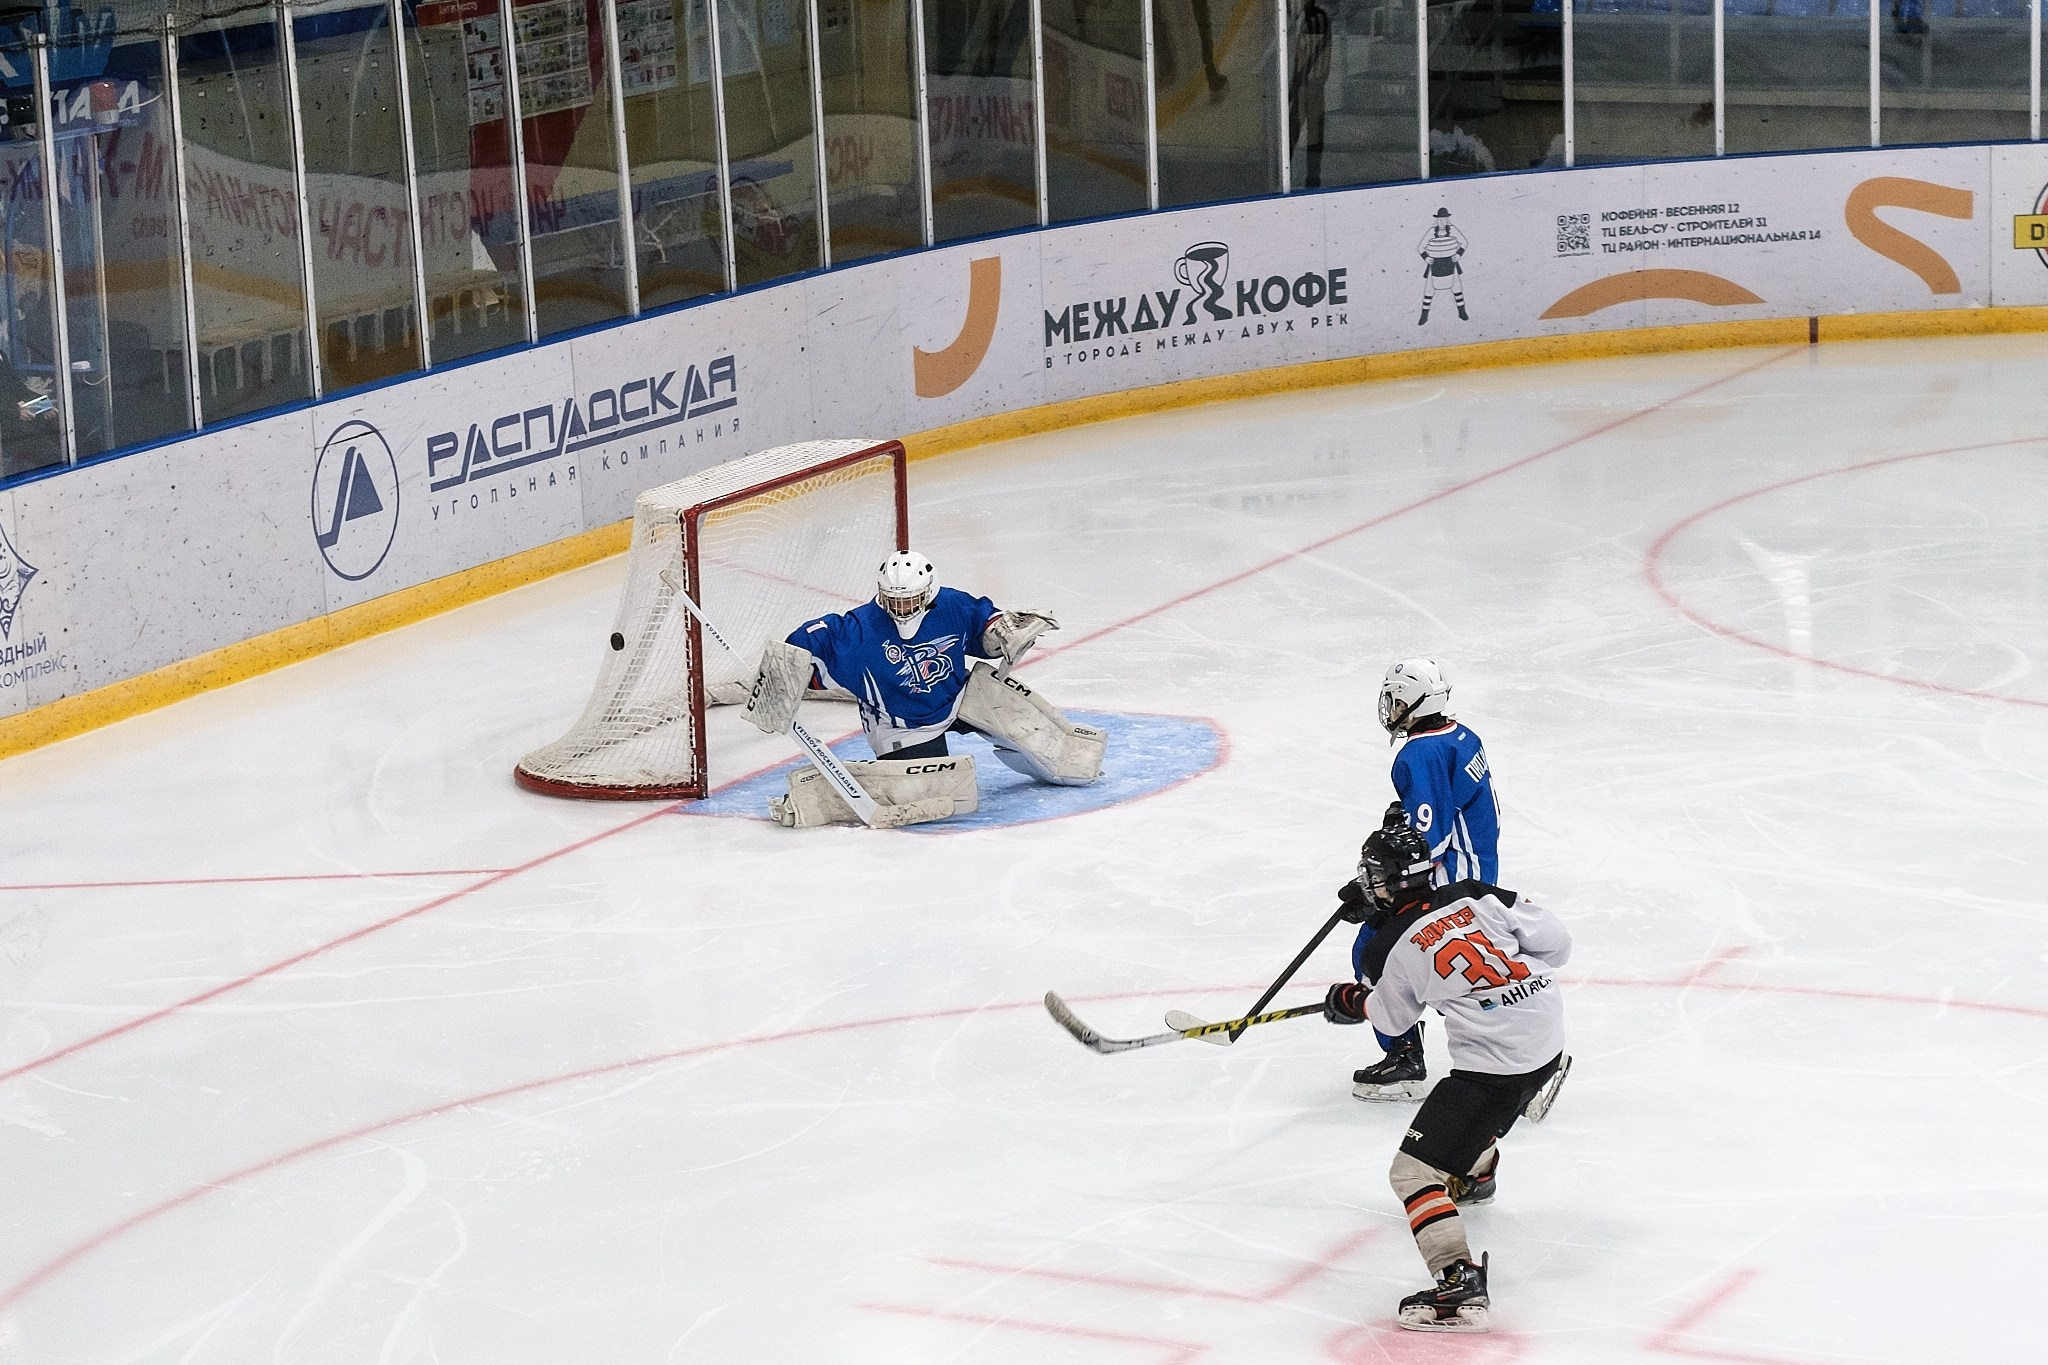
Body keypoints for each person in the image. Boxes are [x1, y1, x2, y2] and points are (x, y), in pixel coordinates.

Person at [1322, 824, 1572, 1333]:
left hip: (1497, 1068)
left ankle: (1458, 1283)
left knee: (1412, 1174)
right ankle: (1475, 1175)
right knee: (1470, 1115)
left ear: (1387, 883)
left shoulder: (1387, 946)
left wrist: (1353, 1001)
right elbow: (1557, 945)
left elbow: (1392, 1020)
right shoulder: (1475, 893)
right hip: (1548, 1037)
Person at [744, 551, 1105, 827]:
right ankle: (815, 794)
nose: (902, 609)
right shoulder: (857, 631)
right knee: (941, 793)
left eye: (910, 600)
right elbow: (811, 638)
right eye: (894, 600)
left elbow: (986, 627)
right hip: (900, 725)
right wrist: (786, 667)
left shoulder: (952, 605)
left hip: (958, 695)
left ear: (929, 593)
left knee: (1041, 735)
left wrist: (1003, 631)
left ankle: (1070, 761)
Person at [1348, 658, 1502, 1100]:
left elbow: (1428, 842)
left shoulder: (1419, 753)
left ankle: (1405, 1061)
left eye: (1397, 697)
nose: (1391, 706)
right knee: (1463, 969)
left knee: (1376, 953)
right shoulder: (1460, 735)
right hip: (1477, 871)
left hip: (1448, 880)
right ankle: (1517, 1055)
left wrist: (1380, 890)